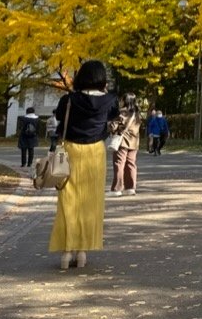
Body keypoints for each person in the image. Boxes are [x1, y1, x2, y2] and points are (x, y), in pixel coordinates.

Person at [49, 59, 120, 270]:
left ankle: (66, 252)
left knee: (68, 201)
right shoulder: (110, 101)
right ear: (102, 79)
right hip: (95, 153)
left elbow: (60, 118)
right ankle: (82, 252)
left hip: (69, 152)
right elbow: (113, 120)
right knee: (91, 202)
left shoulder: (69, 100)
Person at [109, 93, 142, 196]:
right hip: (134, 142)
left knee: (119, 164)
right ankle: (130, 188)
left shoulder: (122, 112)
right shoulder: (137, 114)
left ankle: (117, 189)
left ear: (125, 100)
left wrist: (110, 124)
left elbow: (113, 127)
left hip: (122, 142)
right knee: (131, 164)